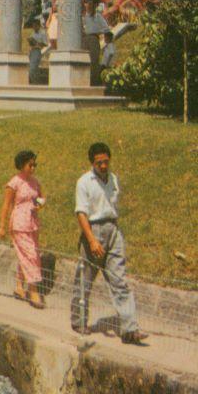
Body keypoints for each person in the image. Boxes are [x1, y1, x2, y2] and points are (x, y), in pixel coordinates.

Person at [70, 142, 147, 345]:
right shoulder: (84, 182)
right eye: (99, 163)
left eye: (106, 161)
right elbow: (81, 213)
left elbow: (112, 206)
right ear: (92, 163)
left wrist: (114, 230)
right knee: (84, 281)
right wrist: (92, 240)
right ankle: (79, 322)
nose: (103, 166)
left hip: (113, 230)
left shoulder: (113, 179)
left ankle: (130, 329)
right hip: (93, 231)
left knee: (119, 280)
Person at [0, 150, 46, 309]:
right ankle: (33, 291)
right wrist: (2, 227)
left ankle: (19, 287)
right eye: (30, 165)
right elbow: (6, 205)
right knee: (31, 255)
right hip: (19, 222)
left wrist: (40, 203)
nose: (33, 168)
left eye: (35, 165)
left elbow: (41, 197)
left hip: (32, 222)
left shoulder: (35, 182)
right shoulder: (14, 182)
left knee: (27, 254)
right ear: (21, 165)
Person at [82, 0, 110, 85]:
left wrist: (97, 30)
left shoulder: (98, 16)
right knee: (84, 61)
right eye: (87, 4)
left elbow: (106, 28)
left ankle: (95, 82)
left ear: (93, 6)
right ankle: (84, 81)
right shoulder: (82, 17)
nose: (88, 6)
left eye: (90, 4)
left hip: (94, 38)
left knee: (94, 60)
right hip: (84, 39)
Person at [28, 18, 48, 84]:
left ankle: (36, 82)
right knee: (31, 67)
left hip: (37, 50)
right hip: (32, 50)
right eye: (33, 26)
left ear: (38, 25)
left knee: (33, 67)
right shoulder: (32, 33)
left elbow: (45, 43)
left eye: (35, 26)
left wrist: (38, 43)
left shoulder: (42, 33)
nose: (34, 27)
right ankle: (33, 81)